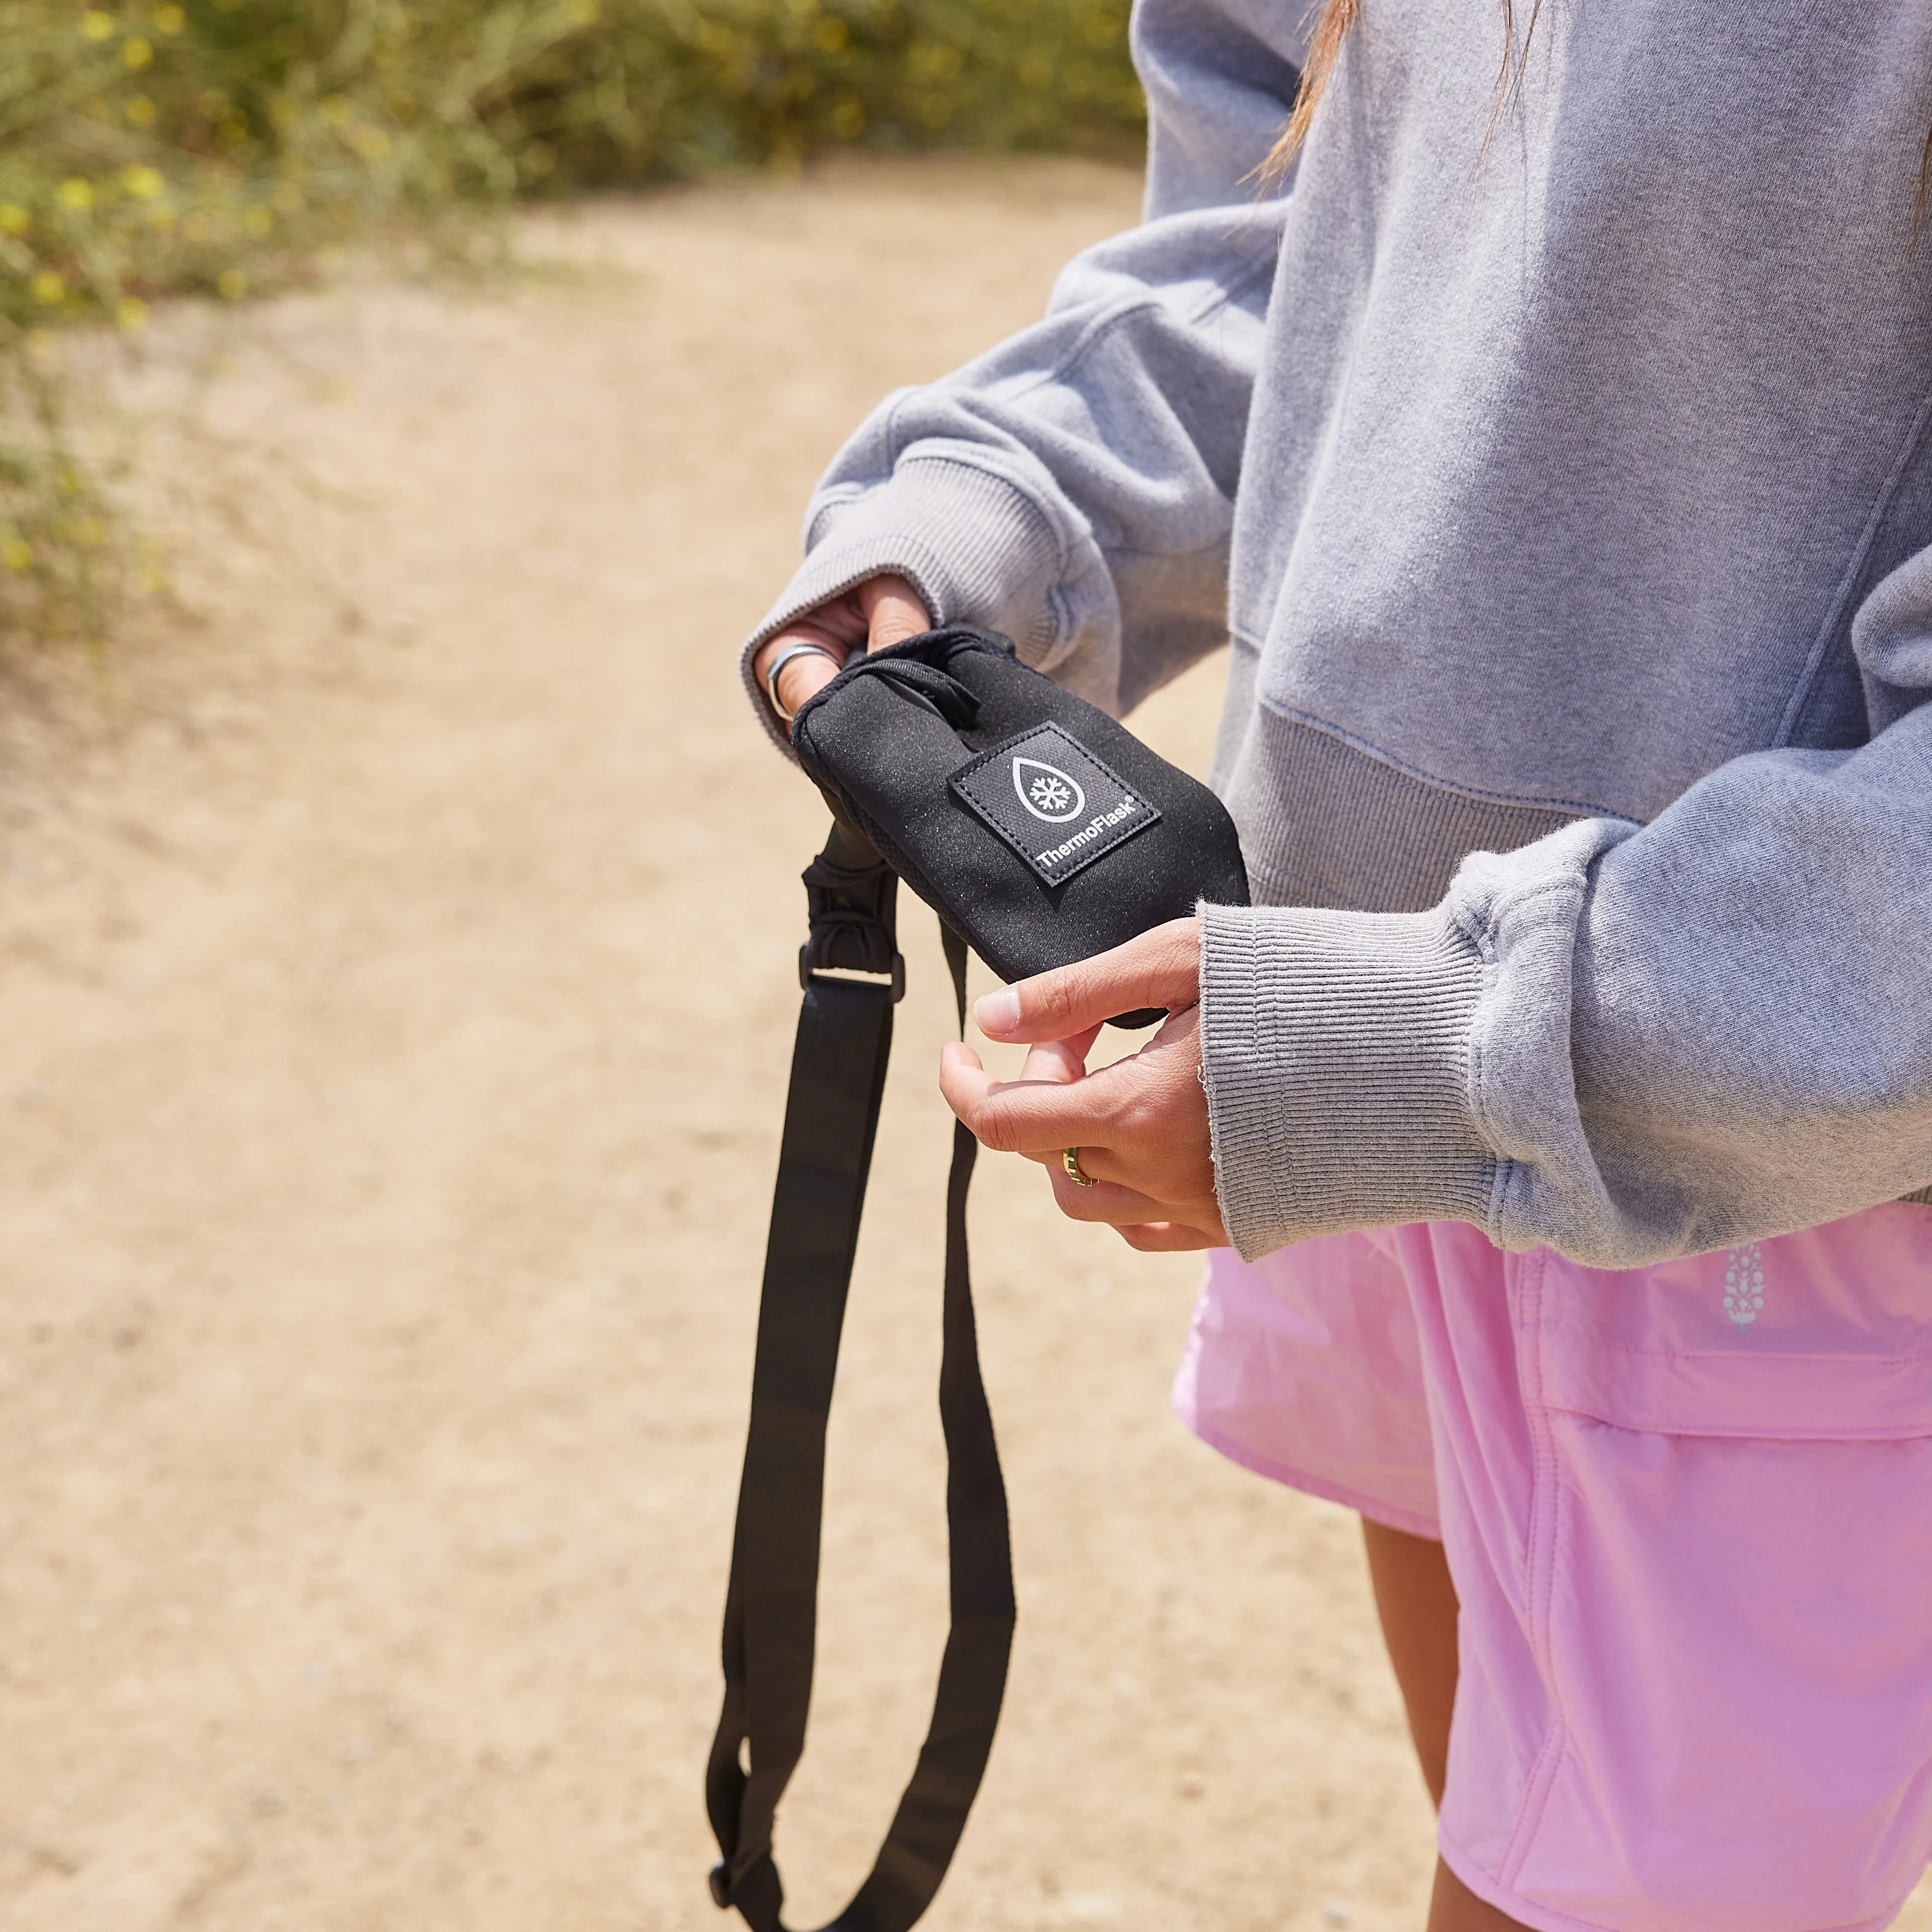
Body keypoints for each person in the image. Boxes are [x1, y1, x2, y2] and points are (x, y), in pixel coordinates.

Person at [742, 2, 1932, 1926]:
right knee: (1490, 1834)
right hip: (1390, 1063)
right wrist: (984, 515)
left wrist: (1397, 1062)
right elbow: (1288, 247)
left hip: (1776, 1143)